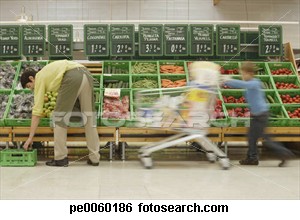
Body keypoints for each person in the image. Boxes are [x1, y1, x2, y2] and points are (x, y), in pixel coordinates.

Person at [21, 60, 100, 167]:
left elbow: (37, 112)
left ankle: (60, 158)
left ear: (31, 78)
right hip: (86, 73)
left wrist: (30, 138)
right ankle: (95, 158)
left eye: (29, 86)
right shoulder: (47, 73)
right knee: (89, 118)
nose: (31, 89)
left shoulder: (39, 78)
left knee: (58, 117)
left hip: (71, 77)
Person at [223, 61, 294, 167]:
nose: (242, 76)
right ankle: (252, 158)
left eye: (243, 74)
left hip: (261, 115)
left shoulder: (255, 83)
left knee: (265, 140)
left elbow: (243, 84)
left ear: (250, 73)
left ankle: (285, 154)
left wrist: (228, 80)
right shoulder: (251, 84)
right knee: (252, 137)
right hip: (258, 115)